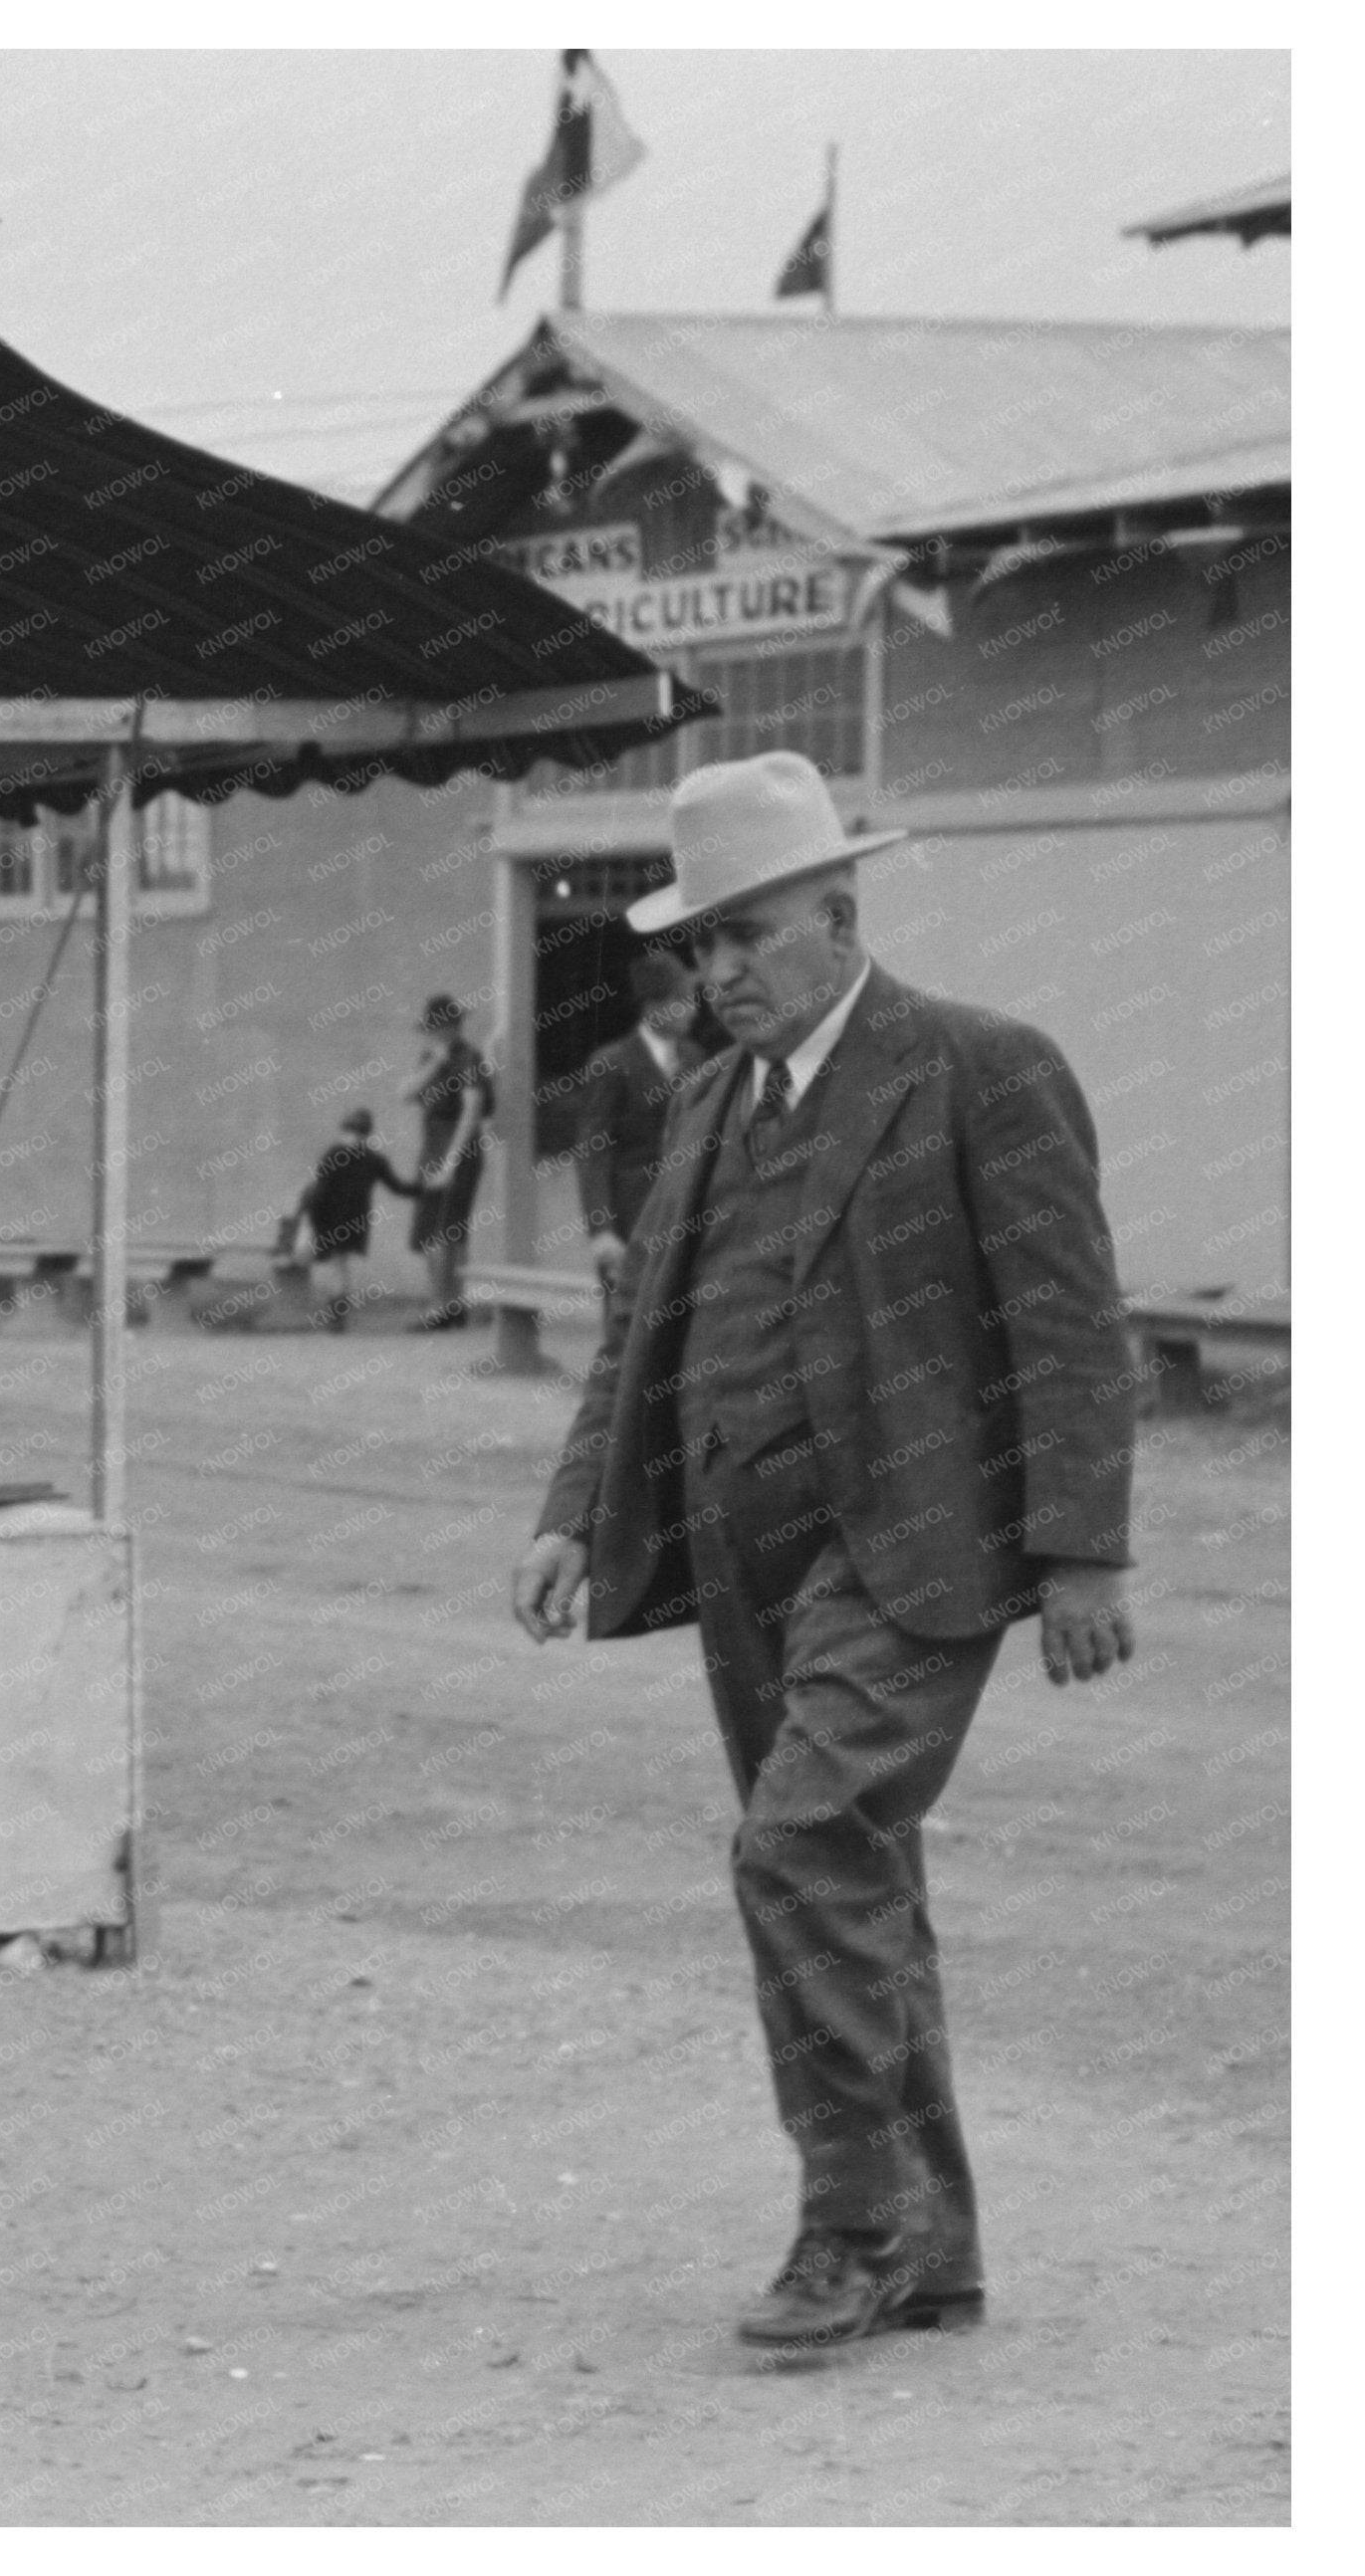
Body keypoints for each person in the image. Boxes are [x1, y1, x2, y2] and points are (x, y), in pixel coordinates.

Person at [511, 750, 1138, 2351]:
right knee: (853, 1879)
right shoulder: (706, 1102)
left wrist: (1083, 1555)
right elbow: (639, 1337)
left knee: (797, 1847)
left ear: (841, 919)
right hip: (746, 1560)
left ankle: (851, 2229)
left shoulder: (980, 1068)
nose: (720, 971)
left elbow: (1069, 1322)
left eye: (749, 934)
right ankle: (937, 2249)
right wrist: (574, 1511)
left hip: (919, 1546)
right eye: (702, 943)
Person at [567, 948, 706, 1324]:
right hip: (630, 1219)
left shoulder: (696, 1059)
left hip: (683, 1214)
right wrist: (601, 1230)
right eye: (682, 1001)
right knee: (627, 1324)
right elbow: (592, 1151)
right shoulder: (612, 1063)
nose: (693, 1010)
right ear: (653, 1007)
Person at [402, 992, 495, 1330]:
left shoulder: (468, 1058)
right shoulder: (431, 1058)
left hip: (457, 1149)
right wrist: (434, 1064)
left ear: (451, 1027)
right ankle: (450, 1305)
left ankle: (443, 1307)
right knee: (434, 1229)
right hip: (432, 1146)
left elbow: (471, 1111)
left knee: (444, 1230)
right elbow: (406, 1093)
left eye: (435, 1028)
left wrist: (451, 1162)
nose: (431, 1034)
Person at [284, 1107, 419, 1331]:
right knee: (339, 1264)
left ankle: (334, 1315)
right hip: (356, 1221)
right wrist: (425, 1188)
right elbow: (398, 1187)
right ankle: (337, 1314)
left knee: (332, 1265)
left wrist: (306, 1214)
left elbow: (320, 1189)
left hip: (328, 1217)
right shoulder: (375, 1159)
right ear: (367, 1133)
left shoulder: (335, 1153)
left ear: (345, 1130)